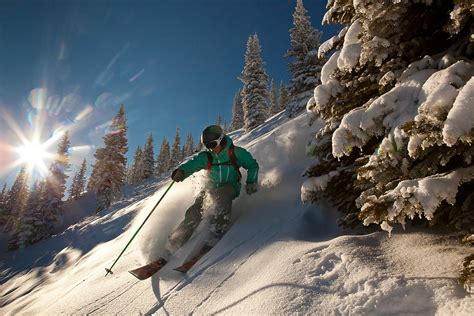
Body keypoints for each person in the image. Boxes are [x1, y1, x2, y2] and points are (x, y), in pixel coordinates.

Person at [165, 125, 259, 256]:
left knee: (223, 195)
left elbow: (252, 165)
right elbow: (192, 164)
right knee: (195, 209)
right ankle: (176, 241)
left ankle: (217, 231)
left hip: (230, 186)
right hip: (211, 188)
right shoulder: (207, 157)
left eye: (213, 144)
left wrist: (251, 182)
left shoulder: (235, 152)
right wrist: (182, 171)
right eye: (207, 146)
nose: (211, 149)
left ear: (221, 139)